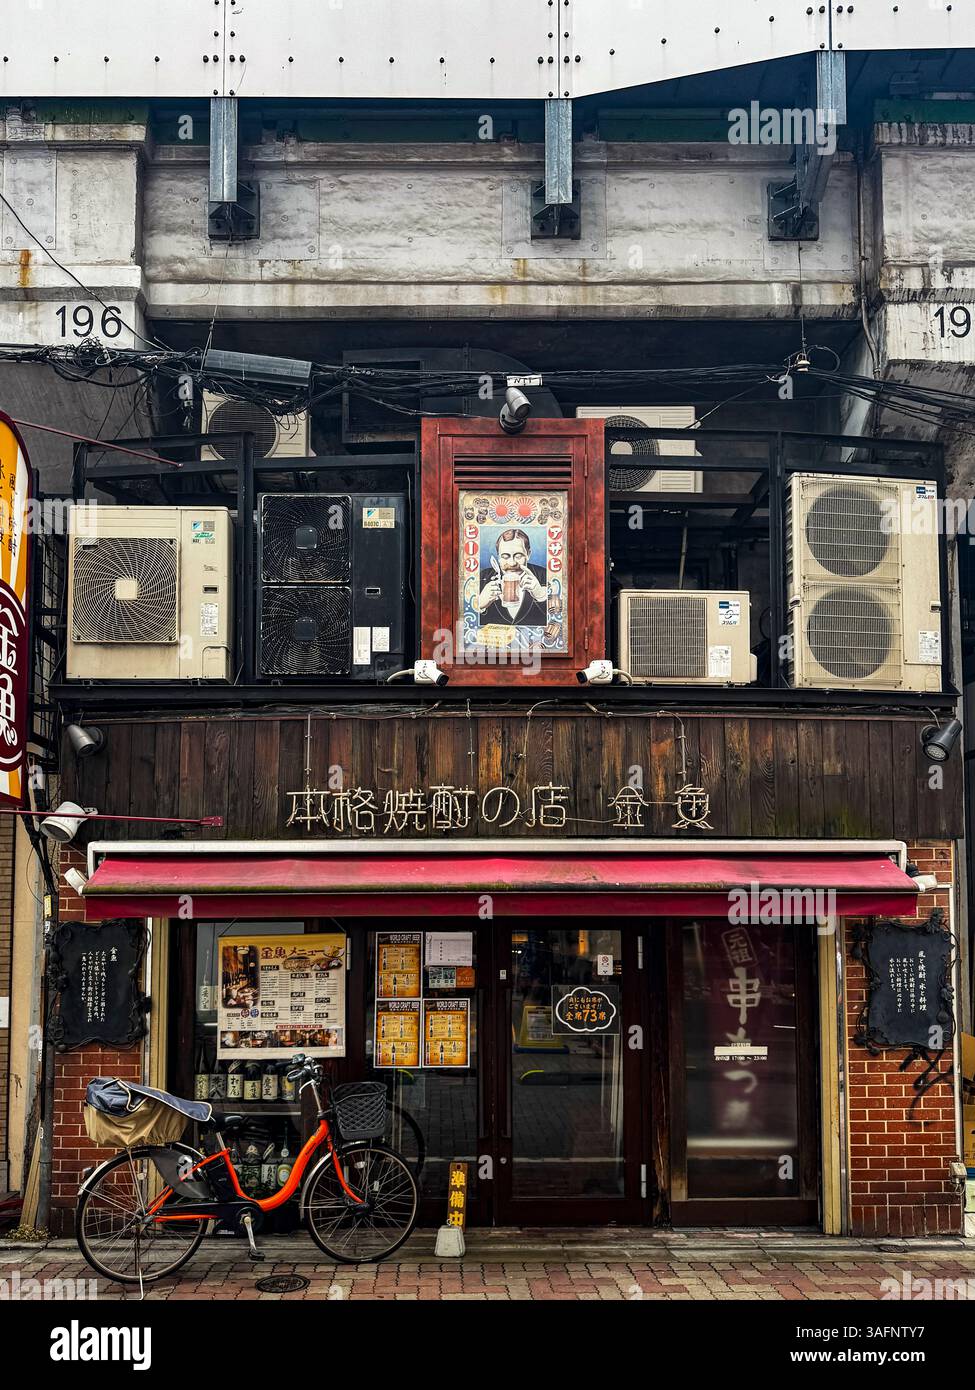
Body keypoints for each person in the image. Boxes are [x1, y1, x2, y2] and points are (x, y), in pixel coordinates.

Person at [475, 528, 548, 626]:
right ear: (498, 556)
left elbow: (557, 618)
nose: (512, 563)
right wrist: (479, 604)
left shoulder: (545, 575)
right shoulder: (482, 577)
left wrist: (541, 596)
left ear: (528, 554)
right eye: (505, 556)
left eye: (518, 556)